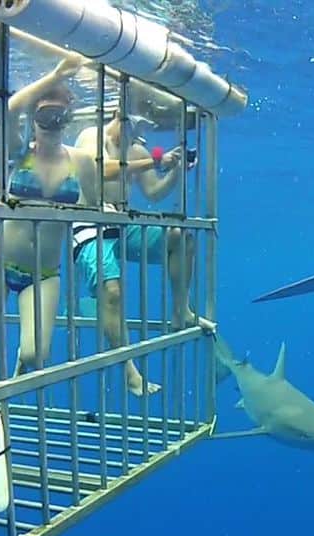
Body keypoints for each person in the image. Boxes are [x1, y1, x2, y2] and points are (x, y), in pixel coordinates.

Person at [0, 56, 163, 379]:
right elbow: (10, 109)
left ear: (68, 119)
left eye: (60, 116)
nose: (53, 122)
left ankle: (7, 397)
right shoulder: (19, 152)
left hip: (44, 273)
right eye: (45, 114)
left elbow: (95, 207)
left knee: (35, 355)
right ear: (34, 118)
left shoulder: (81, 161)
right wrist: (54, 75)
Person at [70, 82, 214, 396]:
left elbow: (154, 191)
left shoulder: (136, 149)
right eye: (135, 123)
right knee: (112, 290)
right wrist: (154, 161)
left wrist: (176, 169)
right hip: (87, 224)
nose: (139, 131)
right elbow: (100, 171)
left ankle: (181, 310)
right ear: (117, 113)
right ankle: (129, 372)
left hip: (122, 223)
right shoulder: (91, 137)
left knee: (181, 238)